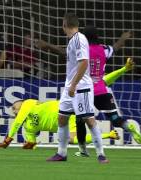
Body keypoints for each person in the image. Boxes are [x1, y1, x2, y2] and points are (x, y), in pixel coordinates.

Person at [46, 13, 108, 163]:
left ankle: (101, 155)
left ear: (64, 25)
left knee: (89, 120)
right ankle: (61, 153)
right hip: (70, 86)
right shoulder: (73, 40)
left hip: (81, 87)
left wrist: (73, 84)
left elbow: (84, 63)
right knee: (62, 118)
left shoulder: (79, 39)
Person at [75, 26, 141, 156]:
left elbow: (63, 53)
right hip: (101, 89)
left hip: (85, 90)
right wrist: (123, 38)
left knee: (80, 120)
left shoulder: (83, 51)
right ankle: (129, 126)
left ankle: (83, 150)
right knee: (115, 118)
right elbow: (116, 47)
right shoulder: (104, 50)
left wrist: (47, 46)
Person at [0, 99, 120, 149]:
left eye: (15, 107)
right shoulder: (28, 127)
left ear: (22, 102)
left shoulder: (28, 103)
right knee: (73, 140)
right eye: (13, 110)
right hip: (67, 121)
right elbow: (32, 141)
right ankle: (108, 135)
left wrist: (7, 140)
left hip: (65, 109)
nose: (14, 110)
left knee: (92, 93)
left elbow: (17, 122)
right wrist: (30, 145)